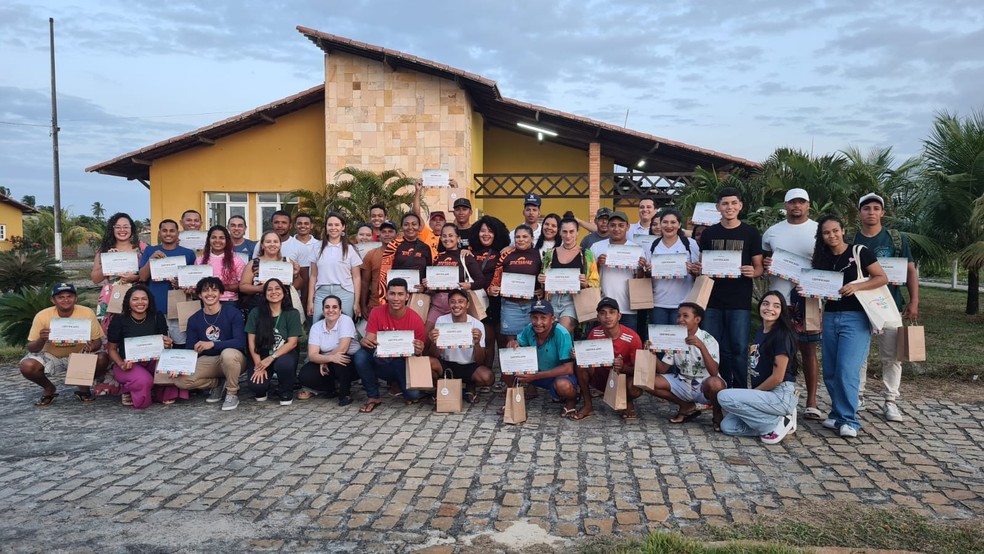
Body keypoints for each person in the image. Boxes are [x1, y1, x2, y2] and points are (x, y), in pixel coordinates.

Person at [809, 214, 888, 438]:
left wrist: (857, 287)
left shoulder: (859, 252)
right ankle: (836, 414)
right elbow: (816, 287)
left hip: (856, 318)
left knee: (847, 370)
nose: (831, 235)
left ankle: (849, 420)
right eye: (826, 232)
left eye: (835, 230)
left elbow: (881, 277)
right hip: (831, 317)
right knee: (831, 371)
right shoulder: (822, 258)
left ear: (843, 230)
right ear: (821, 237)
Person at [854, 192, 919, 421]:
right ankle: (857, 396)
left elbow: (910, 270)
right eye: (866, 208)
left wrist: (914, 301)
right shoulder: (852, 240)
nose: (871, 212)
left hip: (889, 306)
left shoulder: (896, 239)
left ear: (882, 212)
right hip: (859, 307)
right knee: (858, 355)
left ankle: (890, 400)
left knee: (892, 356)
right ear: (859, 213)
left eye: (875, 208)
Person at [695, 187, 764, 389]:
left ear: (740, 206)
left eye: (734, 203)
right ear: (718, 207)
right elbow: (702, 265)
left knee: (739, 347)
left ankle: (741, 389)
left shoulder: (750, 233)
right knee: (715, 347)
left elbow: (758, 266)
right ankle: (721, 388)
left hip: (739, 300)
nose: (729, 207)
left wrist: (754, 272)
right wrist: (700, 268)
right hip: (713, 300)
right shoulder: (709, 233)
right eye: (725, 203)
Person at [761, 188, 821, 419]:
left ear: (808, 205)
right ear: (785, 206)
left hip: (809, 297)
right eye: (792, 202)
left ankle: (812, 401)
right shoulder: (772, 232)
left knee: (808, 351)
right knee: (778, 351)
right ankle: (776, 396)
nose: (797, 206)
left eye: (801, 202)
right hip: (779, 300)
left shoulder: (818, 230)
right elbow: (764, 259)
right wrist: (767, 263)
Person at [717, 291, 799, 444]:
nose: (769, 308)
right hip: (766, 395)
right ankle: (774, 422)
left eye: (776, 306)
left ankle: (777, 423)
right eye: (765, 304)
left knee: (724, 396)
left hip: (780, 395)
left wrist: (753, 393)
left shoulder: (782, 335)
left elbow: (778, 377)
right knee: (728, 426)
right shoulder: (761, 331)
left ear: (782, 311)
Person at [20, 283, 109, 407]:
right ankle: (49, 388)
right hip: (51, 355)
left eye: (69, 296)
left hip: (79, 354)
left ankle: (83, 387)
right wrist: (41, 339)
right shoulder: (42, 316)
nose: (66, 299)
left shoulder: (87, 313)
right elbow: (31, 347)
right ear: (53, 300)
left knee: (102, 358)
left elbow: (97, 340)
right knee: (27, 366)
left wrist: (92, 346)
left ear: (75, 298)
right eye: (61, 297)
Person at [644, 302, 724, 428]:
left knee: (715, 383)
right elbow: (663, 369)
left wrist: (701, 347)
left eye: (685, 316)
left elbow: (714, 372)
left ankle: (717, 414)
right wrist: (651, 352)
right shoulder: (675, 337)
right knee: (646, 380)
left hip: (705, 385)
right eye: (679, 316)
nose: (680, 319)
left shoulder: (708, 339)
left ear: (697, 320)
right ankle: (686, 405)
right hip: (683, 382)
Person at [106, 284, 185, 409]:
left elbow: (163, 345)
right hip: (129, 364)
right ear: (128, 301)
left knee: (174, 368)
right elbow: (111, 349)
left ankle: (153, 392)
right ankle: (129, 389)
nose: (140, 302)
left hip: (153, 361)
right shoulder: (119, 320)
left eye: (144, 298)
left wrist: (168, 343)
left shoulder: (157, 316)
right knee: (144, 381)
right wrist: (121, 364)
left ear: (149, 301)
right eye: (135, 299)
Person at [174, 277, 246, 411]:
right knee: (180, 381)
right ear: (200, 295)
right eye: (205, 291)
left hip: (234, 359)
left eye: (214, 290)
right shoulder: (194, 319)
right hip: (210, 360)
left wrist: (212, 344)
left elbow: (240, 342)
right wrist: (178, 366)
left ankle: (231, 393)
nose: (210, 294)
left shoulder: (232, 313)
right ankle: (217, 383)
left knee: (228, 354)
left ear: (221, 293)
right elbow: (190, 349)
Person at [358, 278, 429, 412]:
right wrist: (365, 341)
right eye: (392, 294)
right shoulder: (376, 312)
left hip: (402, 364)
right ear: (386, 295)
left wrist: (419, 350)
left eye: (400, 294)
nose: (396, 298)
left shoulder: (415, 319)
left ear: (407, 296)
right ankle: (373, 396)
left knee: (412, 395)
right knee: (360, 356)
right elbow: (370, 338)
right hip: (382, 361)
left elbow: (419, 354)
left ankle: (400, 385)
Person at [503, 299, 578, 417]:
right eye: (534, 317)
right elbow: (519, 342)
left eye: (543, 318)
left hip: (556, 374)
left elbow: (568, 369)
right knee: (508, 363)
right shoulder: (529, 328)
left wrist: (534, 376)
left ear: (553, 319)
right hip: (536, 372)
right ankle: (513, 401)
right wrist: (513, 344)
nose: (538, 322)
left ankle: (571, 402)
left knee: (564, 386)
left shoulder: (562, 334)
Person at [571, 297, 642, 420]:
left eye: (612, 312)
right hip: (601, 377)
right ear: (598, 318)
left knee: (634, 388)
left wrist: (623, 368)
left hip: (622, 379)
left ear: (619, 316)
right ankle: (588, 406)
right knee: (579, 364)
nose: (607, 316)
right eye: (603, 313)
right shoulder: (594, 333)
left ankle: (627, 401)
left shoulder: (632, 337)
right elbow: (588, 360)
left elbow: (641, 371)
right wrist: (580, 355)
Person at [298, 295, 370, 406]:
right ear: (322, 310)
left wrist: (325, 360)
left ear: (340, 310)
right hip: (328, 360)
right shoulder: (316, 327)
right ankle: (331, 389)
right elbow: (312, 355)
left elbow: (343, 348)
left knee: (340, 359)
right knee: (305, 374)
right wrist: (328, 359)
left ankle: (345, 394)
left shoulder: (346, 320)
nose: (331, 310)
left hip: (350, 361)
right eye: (327, 307)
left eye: (335, 307)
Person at [427, 289, 494, 403]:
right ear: (449, 304)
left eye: (461, 301)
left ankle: (469, 386)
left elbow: (480, 360)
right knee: (427, 365)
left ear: (467, 304)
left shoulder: (477, 324)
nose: (456, 305)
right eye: (453, 302)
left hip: (469, 365)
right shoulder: (441, 320)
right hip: (446, 364)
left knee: (487, 377)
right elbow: (435, 354)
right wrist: (434, 342)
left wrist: (476, 343)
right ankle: (444, 388)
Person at [138, 219, 197, 348]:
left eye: (172, 231)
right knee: (158, 346)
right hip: (156, 305)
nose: (168, 234)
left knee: (181, 344)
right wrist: (151, 260)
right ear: (159, 233)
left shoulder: (188, 254)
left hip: (179, 306)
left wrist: (181, 283)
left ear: (178, 233)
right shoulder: (150, 251)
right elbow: (142, 277)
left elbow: (193, 282)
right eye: (164, 230)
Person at [245, 278, 303, 405]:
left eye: (277, 288)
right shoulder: (255, 313)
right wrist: (258, 365)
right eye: (269, 289)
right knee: (257, 386)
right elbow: (251, 342)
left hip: (283, 353)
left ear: (284, 292)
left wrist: (271, 358)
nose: (274, 292)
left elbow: (292, 343)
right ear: (264, 294)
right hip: (261, 353)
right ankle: (265, 388)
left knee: (284, 364)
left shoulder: (292, 313)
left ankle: (285, 389)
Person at [591, 210, 651, 331]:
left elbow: (640, 281)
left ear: (627, 227)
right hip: (603, 307)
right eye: (612, 225)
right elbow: (590, 278)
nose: (616, 229)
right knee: (602, 344)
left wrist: (640, 268)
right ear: (608, 226)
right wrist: (598, 265)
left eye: (621, 225)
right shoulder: (596, 247)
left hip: (628, 307)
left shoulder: (636, 249)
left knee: (627, 343)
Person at [539, 217, 600, 333]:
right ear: (560, 232)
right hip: (552, 299)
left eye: (571, 232)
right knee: (549, 335)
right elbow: (543, 278)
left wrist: (586, 283)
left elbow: (596, 281)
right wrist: (541, 279)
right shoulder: (550, 254)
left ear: (577, 233)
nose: (568, 236)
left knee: (562, 331)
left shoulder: (586, 254)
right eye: (565, 232)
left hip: (573, 301)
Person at [423, 224, 487, 331]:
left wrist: (469, 285)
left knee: (453, 336)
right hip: (437, 305)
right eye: (444, 236)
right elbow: (433, 284)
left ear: (458, 238)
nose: (447, 239)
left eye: (451, 235)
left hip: (456, 306)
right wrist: (428, 284)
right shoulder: (438, 257)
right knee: (427, 337)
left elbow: (481, 281)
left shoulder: (465, 256)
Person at [467, 215, 511, 372]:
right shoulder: (470, 252)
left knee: (503, 339)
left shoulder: (504, 252)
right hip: (478, 301)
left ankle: (506, 378)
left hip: (498, 300)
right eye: (482, 230)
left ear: (497, 233)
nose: (485, 234)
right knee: (488, 339)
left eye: (490, 231)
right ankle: (487, 374)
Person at [91, 212, 145, 333]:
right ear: (112, 229)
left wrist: (135, 278)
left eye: (126, 226)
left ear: (132, 228)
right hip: (110, 295)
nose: (122, 230)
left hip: (137, 294)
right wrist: (108, 261)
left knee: (136, 329)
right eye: (118, 227)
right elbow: (95, 279)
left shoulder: (142, 248)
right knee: (110, 331)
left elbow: (149, 274)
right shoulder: (103, 250)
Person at [649, 208, 702, 325]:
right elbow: (646, 274)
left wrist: (693, 270)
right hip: (658, 303)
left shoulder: (689, 244)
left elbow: (699, 273)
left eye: (673, 222)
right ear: (660, 224)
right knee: (660, 341)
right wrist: (649, 270)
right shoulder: (653, 245)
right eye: (665, 222)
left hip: (684, 304)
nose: (669, 226)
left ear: (679, 225)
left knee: (680, 341)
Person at [490, 225, 543, 341]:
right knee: (512, 344)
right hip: (510, 306)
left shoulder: (539, 255)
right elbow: (496, 279)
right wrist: (493, 288)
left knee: (533, 341)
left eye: (525, 236)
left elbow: (543, 276)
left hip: (531, 305)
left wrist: (542, 289)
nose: (521, 239)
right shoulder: (506, 255)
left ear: (532, 238)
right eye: (518, 237)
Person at [308, 212, 362, 321]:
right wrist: (310, 301)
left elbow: (356, 277)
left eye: (337, 225)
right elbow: (313, 276)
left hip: (345, 293)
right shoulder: (316, 247)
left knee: (344, 327)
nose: (333, 228)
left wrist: (356, 302)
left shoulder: (350, 249)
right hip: (321, 292)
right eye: (330, 225)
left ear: (343, 227)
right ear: (326, 227)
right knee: (318, 325)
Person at [240, 230, 303, 312]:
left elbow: (297, 286)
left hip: (283, 304)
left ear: (280, 245)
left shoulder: (287, 262)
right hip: (259, 304)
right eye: (268, 241)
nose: (272, 244)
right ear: (262, 245)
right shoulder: (254, 263)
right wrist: (259, 288)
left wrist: (296, 275)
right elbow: (243, 287)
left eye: (275, 241)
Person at [377, 213, 433, 301]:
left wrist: (424, 287)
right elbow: (384, 273)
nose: (410, 227)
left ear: (419, 227)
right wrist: (384, 297)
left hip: (417, 296)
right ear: (402, 227)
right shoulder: (393, 245)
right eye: (406, 224)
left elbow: (428, 273)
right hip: (396, 296)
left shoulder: (425, 248)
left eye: (414, 224)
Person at [195, 225, 245, 304]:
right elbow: (196, 283)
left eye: (222, 238)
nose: (217, 240)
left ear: (227, 240)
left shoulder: (236, 260)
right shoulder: (200, 260)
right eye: (214, 237)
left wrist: (219, 287)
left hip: (229, 301)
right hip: (206, 301)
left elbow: (242, 285)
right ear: (209, 240)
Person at [359, 220, 398, 317]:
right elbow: (365, 282)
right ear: (379, 235)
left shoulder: (403, 254)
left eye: (390, 231)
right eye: (384, 232)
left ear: (396, 234)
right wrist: (363, 305)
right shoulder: (371, 254)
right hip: (375, 303)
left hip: (399, 304)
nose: (387, 234)